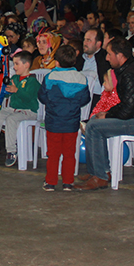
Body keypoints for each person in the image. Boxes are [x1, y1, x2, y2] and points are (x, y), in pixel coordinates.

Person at [74, 37, 134, 191]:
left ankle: (99, 177)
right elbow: (127, 104)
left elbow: (127, 109)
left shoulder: (130, 75)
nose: (107, 58)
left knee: (94, 127)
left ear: (120, 56)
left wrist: (107, 115)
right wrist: (106, 113)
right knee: (94, 120)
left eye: (109, 54)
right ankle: (100, 172)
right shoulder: (132, 68)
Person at [38, 44, 90, 190]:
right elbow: (85, 99)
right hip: (71, 123)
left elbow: (42, 97)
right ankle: (68, 182)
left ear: (57, 62)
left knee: (53, 154)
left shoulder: (50, 77)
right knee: (69, 153)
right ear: (74, 61)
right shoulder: (81, 78)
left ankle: (50, 182)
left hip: (53, 122)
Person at [0, 51, 41, 167]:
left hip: (28, 111)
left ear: (26, 65)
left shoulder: (33, 81)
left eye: (17, 64)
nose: (14, 67)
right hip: (13, 108)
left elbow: (28, 97)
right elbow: (6, 94)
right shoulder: (15, 78)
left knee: (11, 120)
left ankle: (11, 151)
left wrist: (17, 90)